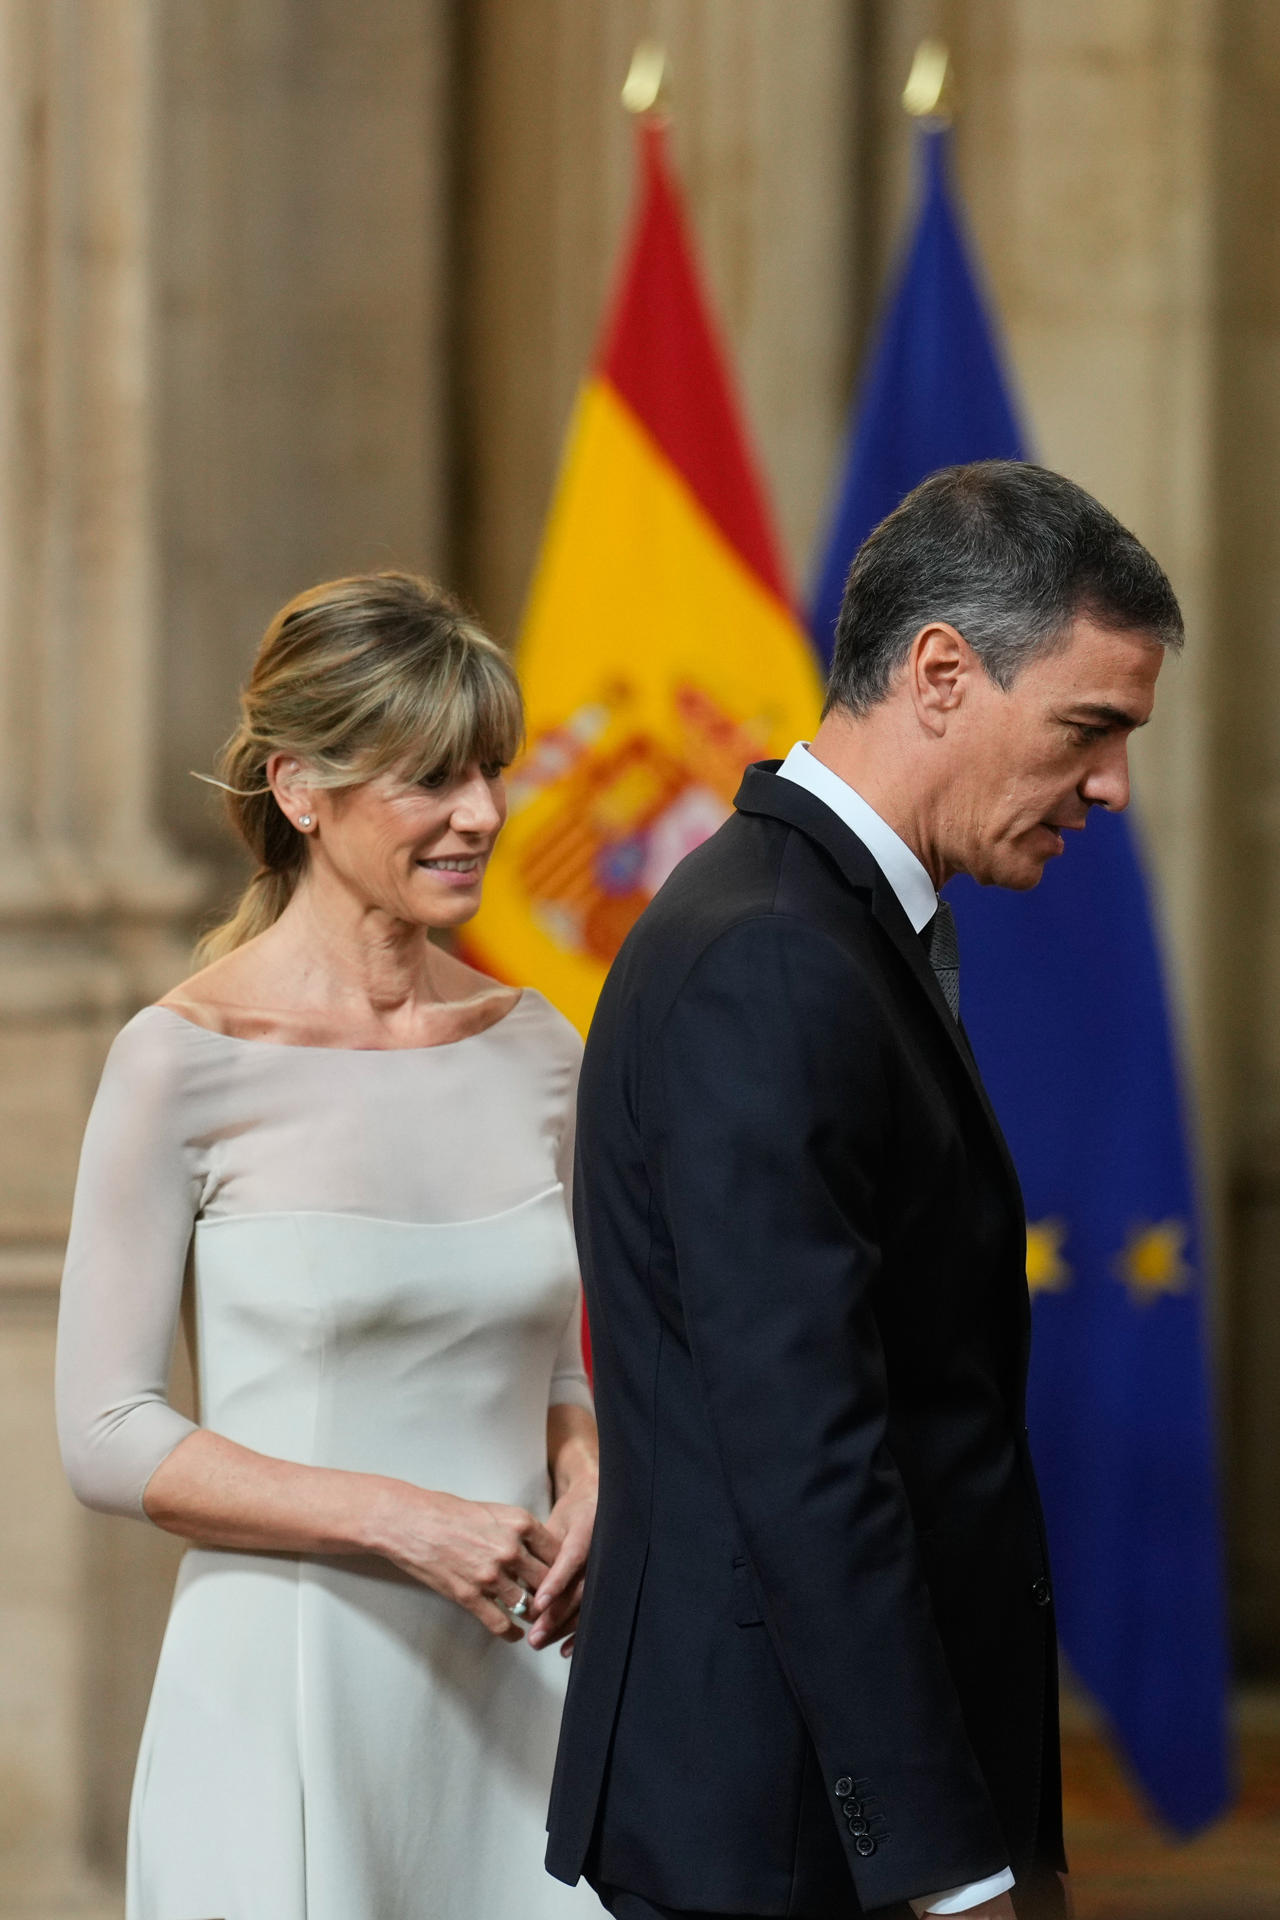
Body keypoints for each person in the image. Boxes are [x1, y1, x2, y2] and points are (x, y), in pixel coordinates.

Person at [547, 462, 1185, 1920]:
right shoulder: (776, 955)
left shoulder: (818, 925)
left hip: (825, 1814)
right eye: (1090, 728)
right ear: (943, 672)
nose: (1112, 787)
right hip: (793, 1836)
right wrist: (950, 1869)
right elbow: (808, 1448)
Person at [55, 572, 602, 1920]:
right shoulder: (177, 1062)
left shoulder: (543, 1050)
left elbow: (551, 1365)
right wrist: (407, 1525)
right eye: (432, 779)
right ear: (304, 790)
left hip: (528, 1689)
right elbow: (109, 1430)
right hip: (286, 1691)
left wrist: (594, 1473)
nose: (482, 814)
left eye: (489, 771)